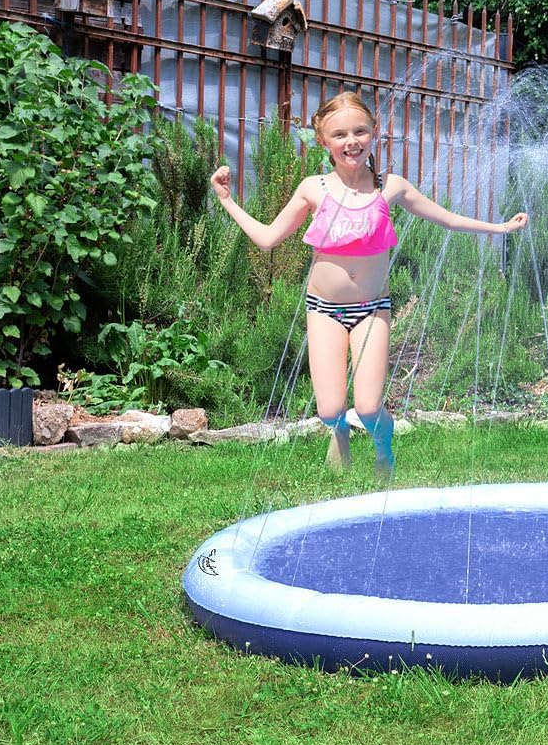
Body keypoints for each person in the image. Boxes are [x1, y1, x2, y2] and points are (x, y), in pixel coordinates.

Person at [210, 92, 528, 476]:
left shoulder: (389, 186)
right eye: (340, 134)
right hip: (323, 309)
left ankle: (382, 445)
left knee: (369, 407)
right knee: (330, 410)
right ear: (323, 140)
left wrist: (500, 228)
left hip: (372, 309)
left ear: (374, 132)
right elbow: (267, 238)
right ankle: (338, 431)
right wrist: (227, 201)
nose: (352, 141)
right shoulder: (313, 188)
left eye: (360, 131)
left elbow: (445, 218)